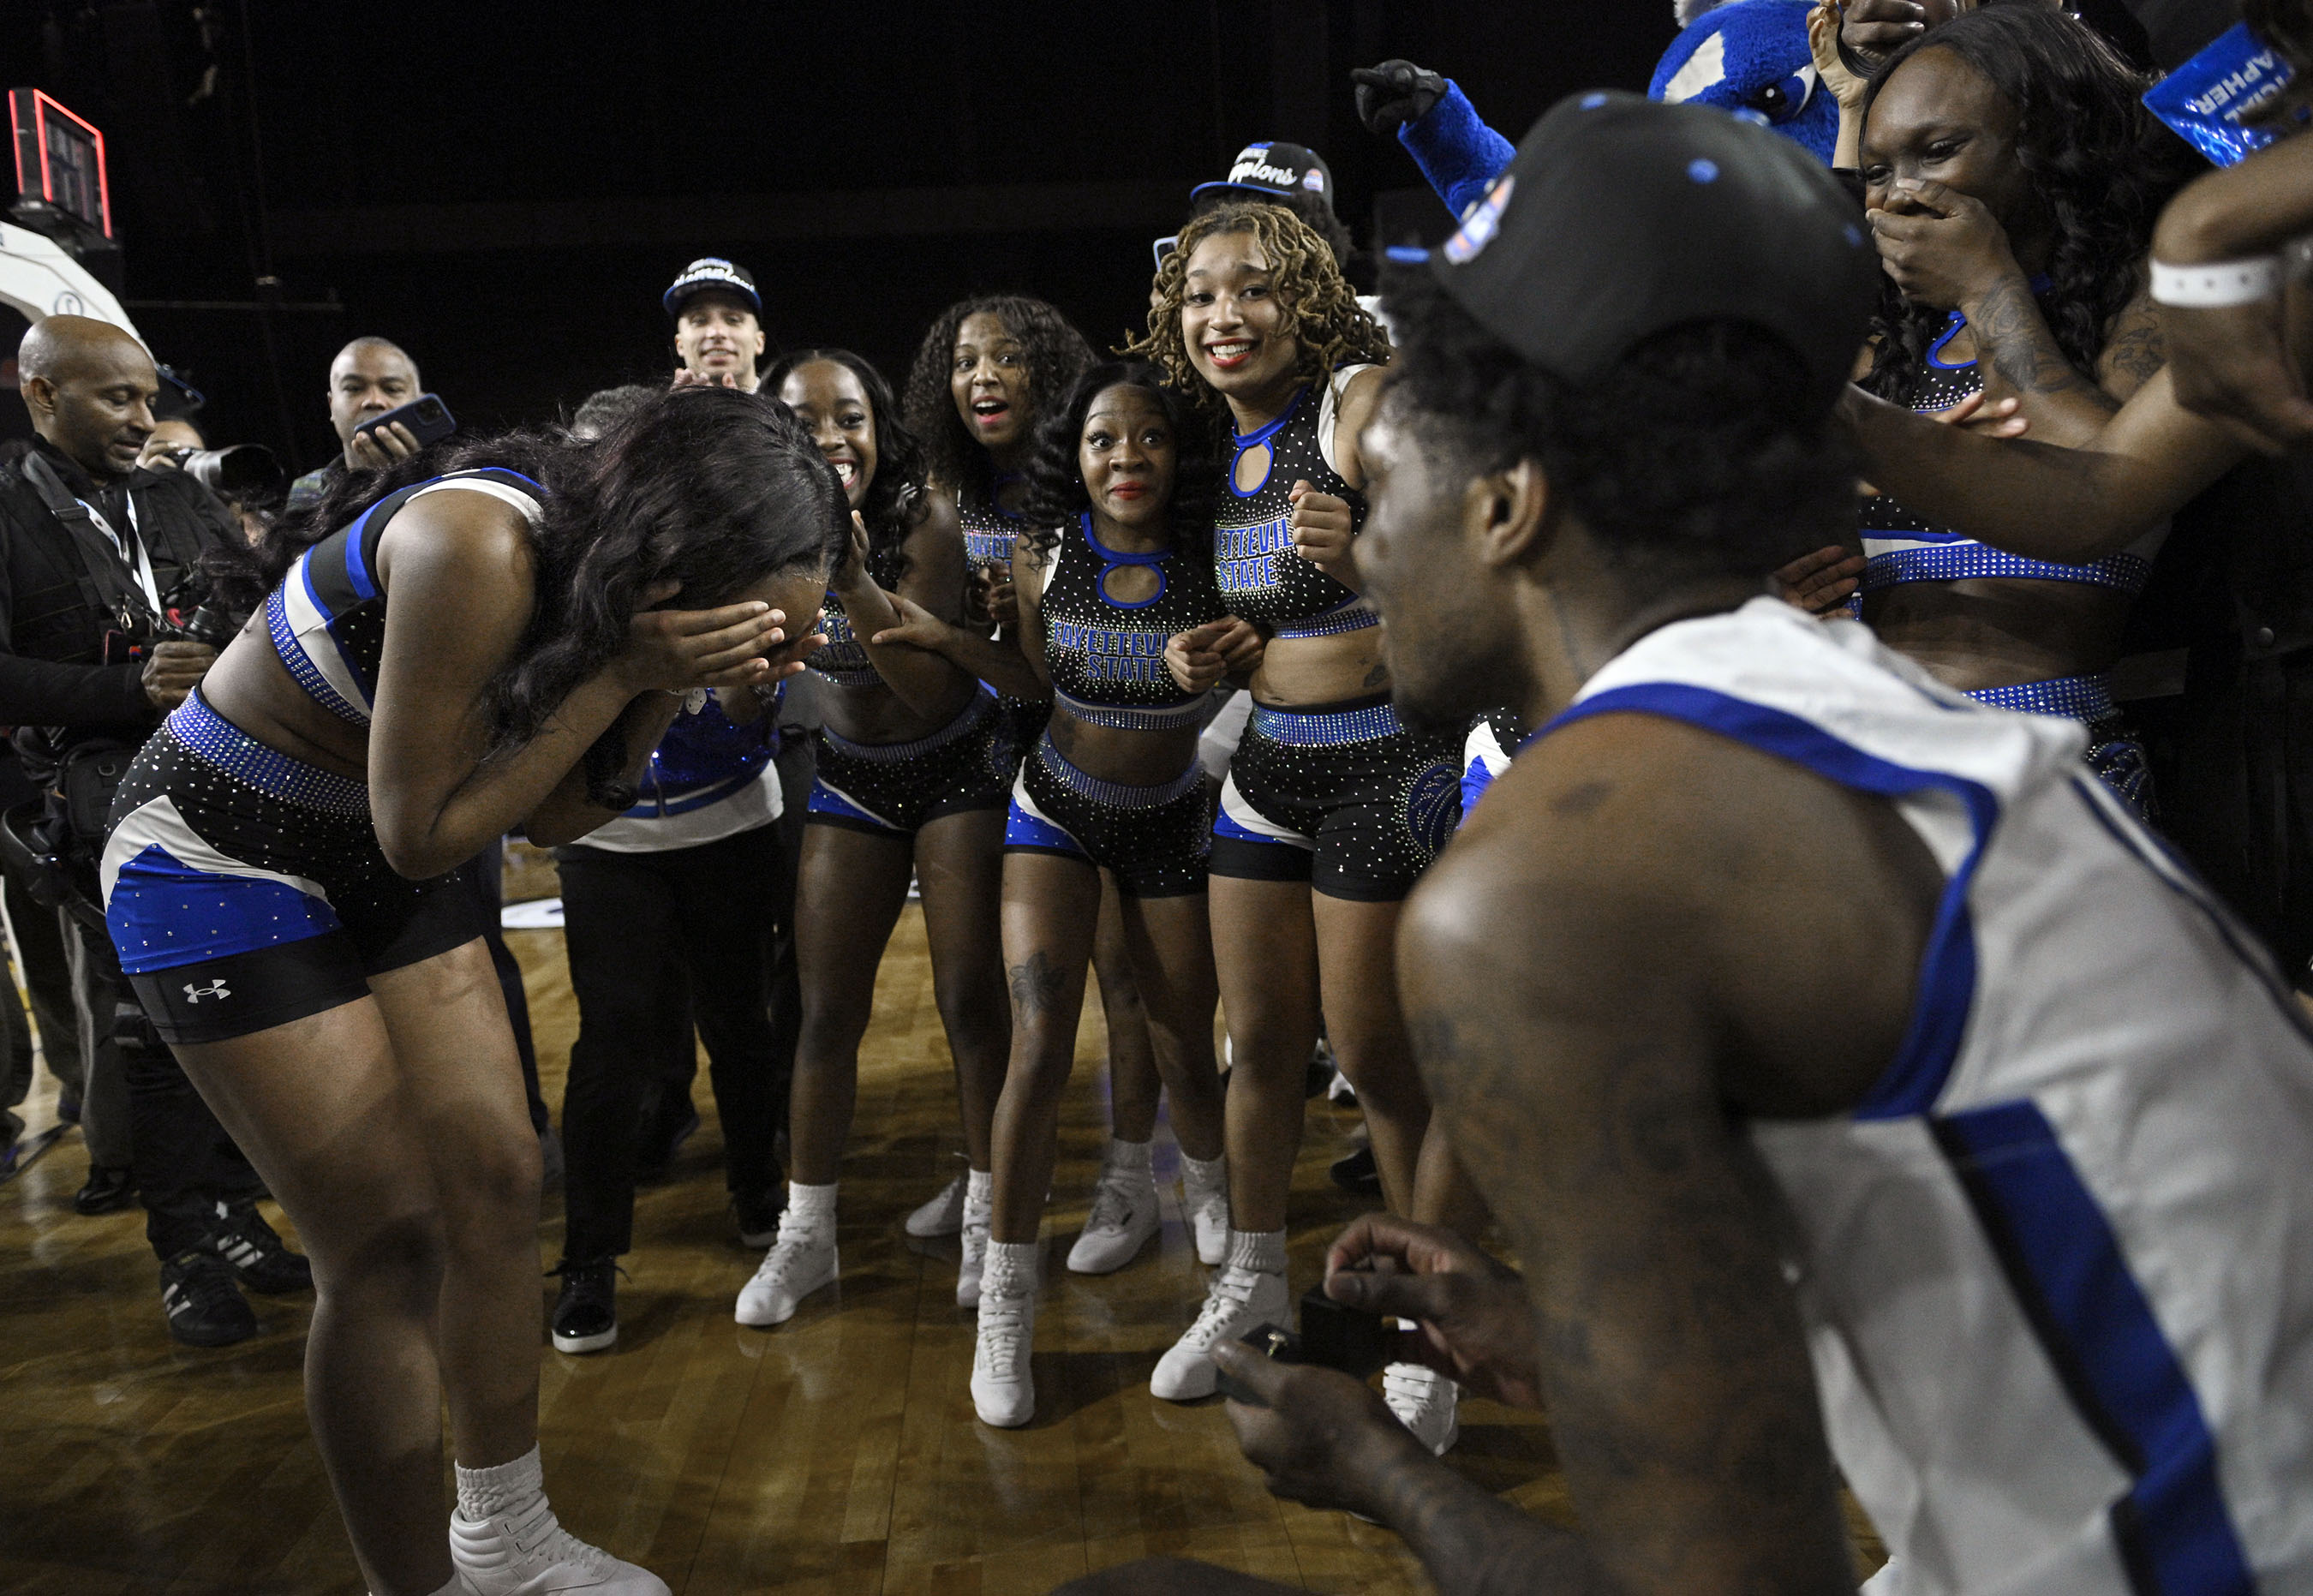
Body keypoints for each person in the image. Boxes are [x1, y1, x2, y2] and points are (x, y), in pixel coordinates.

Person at [1091, 88, 2313, 1596]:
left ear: (1509, 506)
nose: (1361, 542)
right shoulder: (1840, 697)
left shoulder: (1555, 876)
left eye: (1384, 487)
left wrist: (1385, 1472)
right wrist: (1566, 1335)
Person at [99, 385, 843, 1596]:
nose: (752, 658)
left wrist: (665, 683)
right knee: (387, 1244)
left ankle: (504, 1537)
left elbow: (554, 815)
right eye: (741, 631)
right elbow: (422, 835)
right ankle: (414, 1585)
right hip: (221, 848)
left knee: (498, 1178)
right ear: (674, 561)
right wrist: (627, 671)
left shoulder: (614, 590)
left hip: (381, 843)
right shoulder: (477, 540)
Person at [1125, 201, 1465, 1450]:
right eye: (1203, 294)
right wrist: (1210, 651)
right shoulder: (1217, 449)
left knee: (1378, 1062)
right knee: (1259, 1045)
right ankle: (1254, 1283)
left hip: (1389, 763)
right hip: (1267, 766)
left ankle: (1430, 1326)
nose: (1226, 314)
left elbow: (1476, 573)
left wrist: (1372, 555)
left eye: (1254, 288)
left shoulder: (1361, 403)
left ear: (1308, 300)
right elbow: (1277, 620)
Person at [864, 362, 1246, 1426]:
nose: (1126, 458)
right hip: (1056, 809)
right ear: (1072, 458)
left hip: (1171, 815)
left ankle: (1219, 1237)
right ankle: (1007, 1310)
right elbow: (1034, 684)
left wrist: (1228, 660)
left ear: (1178, 453)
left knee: (1184, 1042)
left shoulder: (1214, 555)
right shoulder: (1045, 551)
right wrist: (952, 640)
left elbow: (1258, 663)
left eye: (1149, 438)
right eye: (1102, 440)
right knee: (1039, 1042)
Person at [0, 314, 308, 1346]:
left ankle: (233, 1217)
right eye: (117, 398)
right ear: (43, 395)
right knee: (156, 1033)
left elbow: (256, 612)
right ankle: (184, 1249)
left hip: (224, 793)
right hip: (94, 815)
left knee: (237, 1018)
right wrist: (124, 688)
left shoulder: (177, 495)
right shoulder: (6, 507)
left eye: (147, 397)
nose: (143, 418)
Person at [1839, 6, 2188, 816]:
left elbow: (2113, 491)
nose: (1902, 194)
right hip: (1863, 771)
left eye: (1938, 151)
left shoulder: (2151, 299)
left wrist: (1986, 286)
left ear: (2049, 144)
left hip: (2044, 775)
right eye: (1879, 171)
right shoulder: (1885, 342)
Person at [734, 347, 1019, 1324]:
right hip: (854, 774)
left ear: (878, 425)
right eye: (804, 421)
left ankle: (989, 1216)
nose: (831, 439)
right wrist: (751, 667)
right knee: (824, 1012)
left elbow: (935, 693)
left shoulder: (923, 515)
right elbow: (739, 706)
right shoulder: (755, 530)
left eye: (849, 418)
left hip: (957, 762)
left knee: (969, 996)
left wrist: (854, 583)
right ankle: (806, 1235)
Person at [900, 296, 1175, 1265]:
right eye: (964, 360)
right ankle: (993, 1174)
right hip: (984, 748)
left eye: (1007, 357)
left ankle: (1130, 1180)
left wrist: (991, 630)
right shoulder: (944, 489)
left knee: (1120, 973)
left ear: (1049, 376)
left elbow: (1053, 656)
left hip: (1091, 739)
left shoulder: (1100, 484)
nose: (982, 376)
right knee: (990, 986)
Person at [284, 337, 427, 514]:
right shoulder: (309, 489)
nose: (373, 400)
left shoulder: (445, 478)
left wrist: (409, 480)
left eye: (392, 389)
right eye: (354, 388)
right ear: (331, 405)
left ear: (419, 401)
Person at [665, 257, 767, 392]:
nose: (717, 332)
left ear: (759, 341)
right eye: (699, 320)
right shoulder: (655, 406)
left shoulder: (792, 402)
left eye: (733, 320)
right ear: (679, 344)